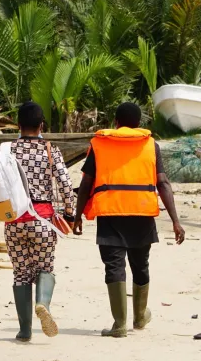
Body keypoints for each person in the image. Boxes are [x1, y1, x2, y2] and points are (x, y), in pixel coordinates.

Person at [73, 102, 185, 338]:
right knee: (140, 265)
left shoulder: (100, 143)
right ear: (138, 124)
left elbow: (86, 183)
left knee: (114, 266)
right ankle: (140, 317)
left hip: (111, 212)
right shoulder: (150, 145)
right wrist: (175, 221)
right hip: (141, 212)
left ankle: (120, 324)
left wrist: (78, 215)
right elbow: (163, 183)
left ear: (115, 122)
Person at [6, 101, 76, 342]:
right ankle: (42, 303)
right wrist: (70, 213)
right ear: (41, 125)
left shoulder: (7, 150)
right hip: (43, 220)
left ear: (18, 125)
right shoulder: (50, 150)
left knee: (20, 273)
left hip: (14, 220)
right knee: (45, 267)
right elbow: (66, 185)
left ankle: (24, 331)